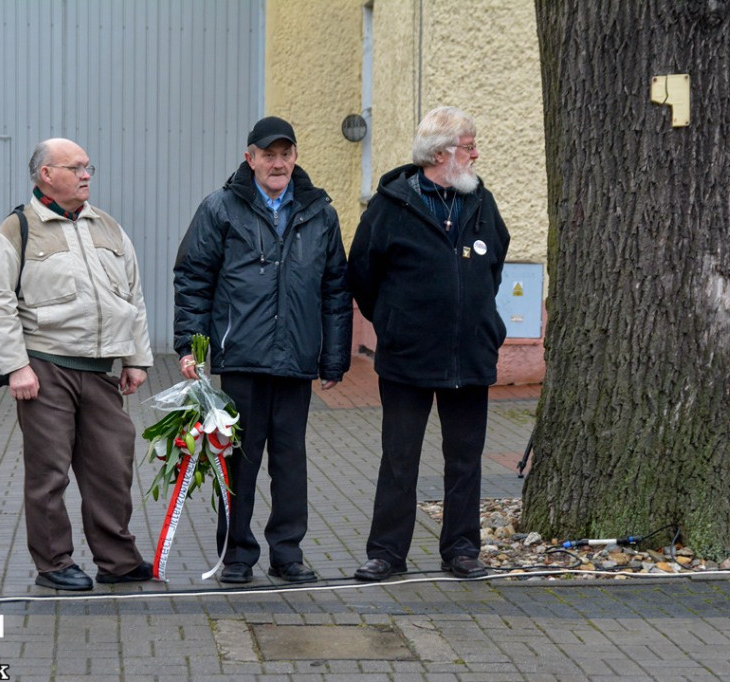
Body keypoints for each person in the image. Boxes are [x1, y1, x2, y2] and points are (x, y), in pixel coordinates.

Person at [173, 116, 352, 584]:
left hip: (295, 360)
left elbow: (336, 290)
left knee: (290, 462)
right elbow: (193, 279)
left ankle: (287, 553)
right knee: (238, 460)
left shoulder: (320, 213)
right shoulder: (221, 208)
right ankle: (236, 555)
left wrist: (334, 357)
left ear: (295, 157)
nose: (278, 163)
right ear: (249, 157)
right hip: (242, 360)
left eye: (285, 154)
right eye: (268, 154)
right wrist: (191, 347)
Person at [0, 138, 154, 591]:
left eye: (88, 166)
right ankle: (54, 564)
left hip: (100, 371)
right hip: (45, 367)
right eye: (75, 167)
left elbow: (133, 296)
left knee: (113, 466)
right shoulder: (17, 229)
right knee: (49, 473)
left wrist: (135, 358)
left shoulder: (108, 227)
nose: (86, 174)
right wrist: (16, 366)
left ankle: (117, 560)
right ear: (45, 175)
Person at [348, 106, 510, 582]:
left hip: (469, 355)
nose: (476, 153)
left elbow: (493, 265)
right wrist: (397, 321)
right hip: (407, 357)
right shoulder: (391, 206)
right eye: (469, 145)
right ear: (441, 153)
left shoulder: (481, 202)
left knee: (465, 458)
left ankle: (461, 549)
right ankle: (386, 553)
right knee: (400, 457)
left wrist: (474, 313)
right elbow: (363, 274)